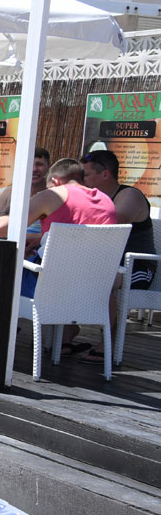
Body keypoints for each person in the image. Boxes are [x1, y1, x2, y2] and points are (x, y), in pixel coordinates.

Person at [0, 157, 117, 355]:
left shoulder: (54, 194)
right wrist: (42, 238)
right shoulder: (106, 201)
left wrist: (7, 210)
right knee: (66, 264)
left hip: (49, 289)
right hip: (93, 290)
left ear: (56, 181)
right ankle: (66, 339)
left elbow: (0, 229)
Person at [81, 148, 156, 362]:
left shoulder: (129, 195)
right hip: (108, 264)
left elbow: (112, 223)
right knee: (65, 272)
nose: (81, 180)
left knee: (102, 280)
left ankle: (109, 342)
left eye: (86, 175)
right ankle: (67, 334)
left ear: (105, 174)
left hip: (137, 267)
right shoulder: (93, 197)